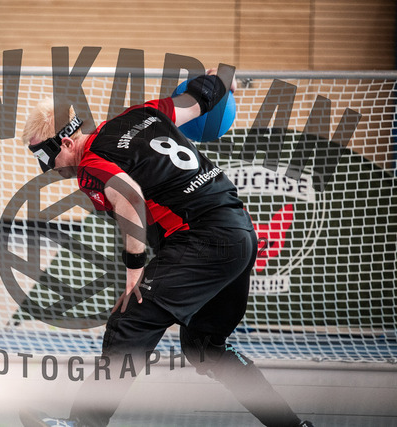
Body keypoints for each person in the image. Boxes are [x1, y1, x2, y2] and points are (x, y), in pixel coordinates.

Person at [19, 69, 313, 427]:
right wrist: (223, 79)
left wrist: (134, 271)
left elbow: (130, 198)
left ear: (66, 142)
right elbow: (199, 98)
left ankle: (83, 424)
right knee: (205, 347)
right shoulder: (142, 114)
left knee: (129, 320)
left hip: (202, 238)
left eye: (45, 157)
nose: (47, 168)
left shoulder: (91, 164)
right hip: (239, 233)